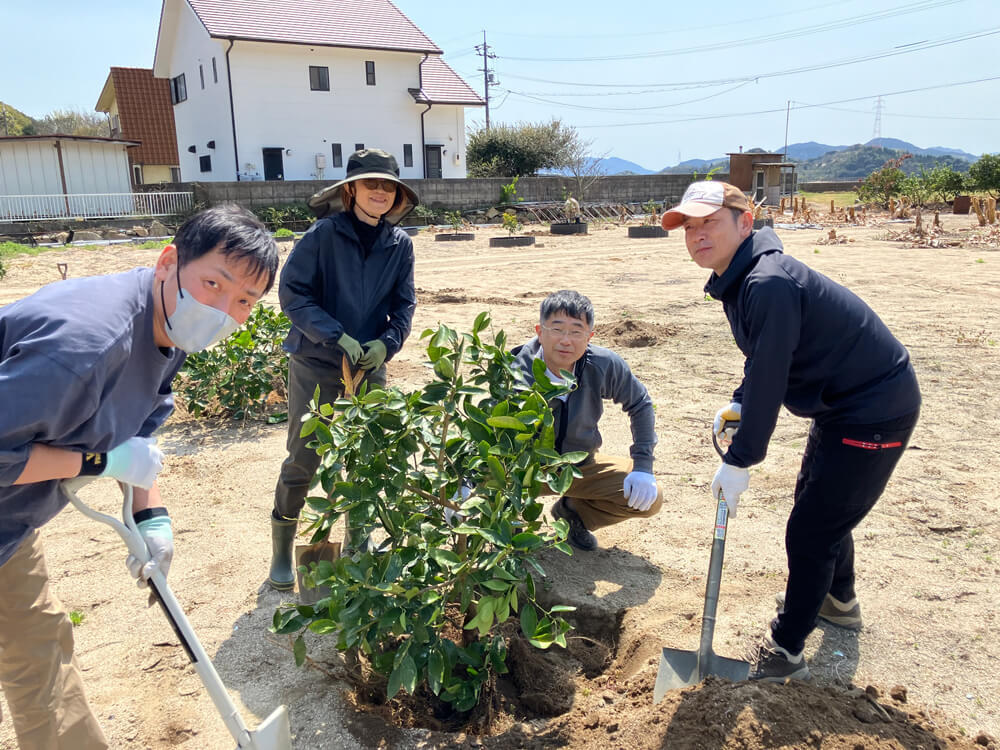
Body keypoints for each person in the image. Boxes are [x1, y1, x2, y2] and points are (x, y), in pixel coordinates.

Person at [0, 204, 279, 749]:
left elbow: (141, 426)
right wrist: (98, 463)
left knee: (40, 653)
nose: (223, 309)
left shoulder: (167, 322)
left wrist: (150, 513)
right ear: (169, 261)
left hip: (7, 529)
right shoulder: (83, 349)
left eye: (244, 300)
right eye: (213, 283)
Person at [661, 181, 921, 682]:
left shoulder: (768, 282)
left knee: (811, 530)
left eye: (709, 222)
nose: (697, 235)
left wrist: (740, 461)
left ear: (745, 222)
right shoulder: (741, 277)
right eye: (689, 227)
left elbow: (771, 374)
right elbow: (764, 359)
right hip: (841, 405)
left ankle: (785, 648)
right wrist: (740, 402)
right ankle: (837, 600)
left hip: (874, 407)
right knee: (818, 506)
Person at [269, 148, 419, 589]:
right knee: (305, 454)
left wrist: (386, 344)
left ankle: (358, 544)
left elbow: (404, 304)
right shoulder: (322, 236)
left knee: (367, 455)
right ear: (350, 190)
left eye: (388, 185)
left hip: (370, 366)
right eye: (371, 184)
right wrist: (336, 337)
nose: (380, 192)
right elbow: (294, 294)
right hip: (316, 361)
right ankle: (282, 550)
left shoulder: (400, 245)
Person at [511, 290, 663, 551]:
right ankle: (508, 527)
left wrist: (643, 465)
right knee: (471, 492)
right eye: (557, 329)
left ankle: (573, 514)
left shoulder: (601, 365)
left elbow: (640, 404)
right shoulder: (515, 370)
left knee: (650, 498)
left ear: (589, 337)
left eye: (576, 331)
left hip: (579, 466)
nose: (566, 341)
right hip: (522, 472)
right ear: (540, 331)